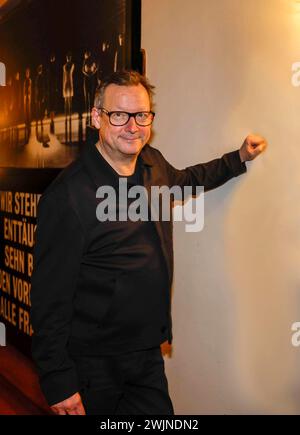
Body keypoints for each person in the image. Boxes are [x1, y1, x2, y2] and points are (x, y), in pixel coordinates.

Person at [30, 70, 267, 415]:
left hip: (146, 356)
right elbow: (48, 300)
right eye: (119, 115)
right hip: (92, 366)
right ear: (97, 117)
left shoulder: (152, 164)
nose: (133, 126)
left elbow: (188, 179)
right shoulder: (68, 197)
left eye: (141, 115)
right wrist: (58, 381)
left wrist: (238, 159)